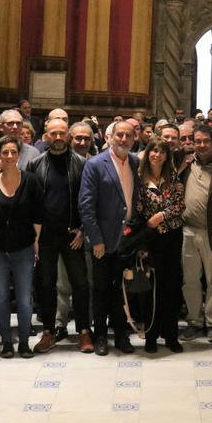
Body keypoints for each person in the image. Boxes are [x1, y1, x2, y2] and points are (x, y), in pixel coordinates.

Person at [27, 119, 92, 355]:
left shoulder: (82, 164)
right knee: (46, 285)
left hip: (72, 234)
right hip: (45, 236)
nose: (57, 137)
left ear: (68, 135)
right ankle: (48, 332)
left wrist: (84, 228)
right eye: (53, 133)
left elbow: (88, 200)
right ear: (46, 135)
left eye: (61, 133)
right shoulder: (35, 165)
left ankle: (84, 331)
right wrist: (33, 236)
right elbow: (31, 201)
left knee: (81, 284)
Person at [78, 121, 138, 356]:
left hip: (127, 240)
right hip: (103, 240)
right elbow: (86, 205)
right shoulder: (95, 164)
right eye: (119, 135)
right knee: (101, 290)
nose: (123, 139)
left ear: (134, 138)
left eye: (128, 136)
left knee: (121, 290)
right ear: (110, 137)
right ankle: (101, 335)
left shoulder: (135, 161)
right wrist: (96, 239)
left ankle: (122, 335)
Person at [0, 136, 43, 358]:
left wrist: (36, 242)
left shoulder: (32, 181)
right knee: (0, 297)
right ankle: (7, 342)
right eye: (4, 152)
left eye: (12, 152)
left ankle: (24, 342)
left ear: (19, 155)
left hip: (24, 247)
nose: (8, 156)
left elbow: (38, 215)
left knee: (25, 298)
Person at [134, 137, 187, 353]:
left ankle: (171, 336)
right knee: (151, 291)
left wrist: (161, 215)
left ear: (167, 156)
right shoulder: (139, 179)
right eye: (154, 151)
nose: (157, 155)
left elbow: (179, 205)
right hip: (149, 239)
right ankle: (151, 337)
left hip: (171, 238)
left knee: (170, 288)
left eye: (162, 151)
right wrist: (148, 224)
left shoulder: (173, 178)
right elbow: (137, 208)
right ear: (148, 154)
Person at [179, 124, 212, 342]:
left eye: (206, 141)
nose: (202, 145)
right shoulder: (185, 163)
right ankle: (194, 321)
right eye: (198, 141)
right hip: (187, 231)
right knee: (190, 280)